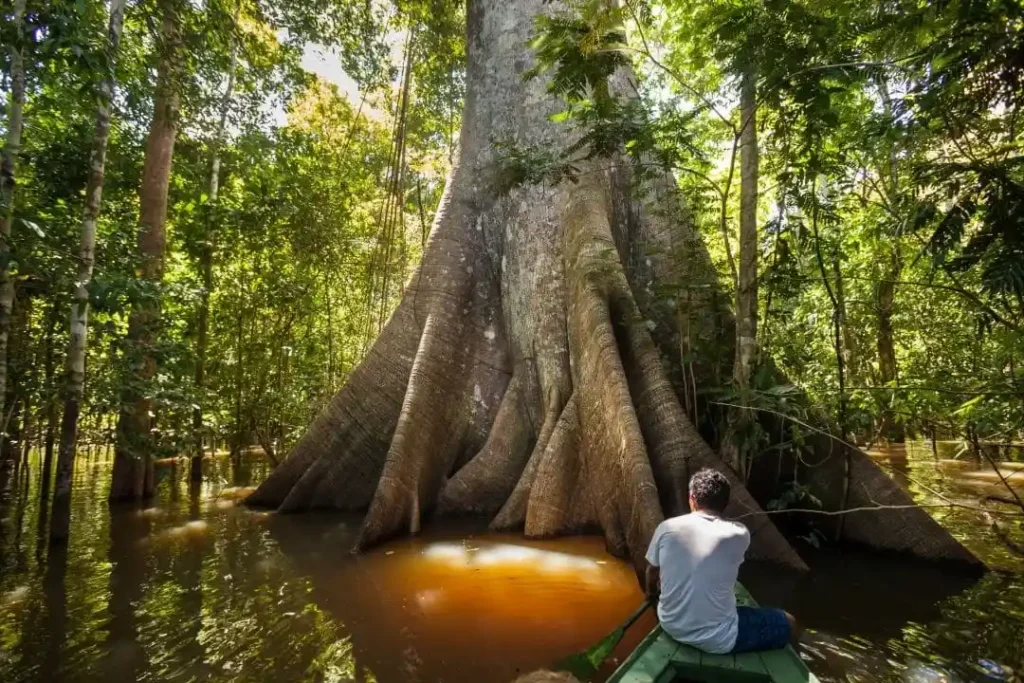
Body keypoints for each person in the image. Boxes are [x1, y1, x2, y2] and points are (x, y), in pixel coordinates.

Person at [644, 468, 798, 654]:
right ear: (726, 503)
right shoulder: (739, 533)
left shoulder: (666, 527)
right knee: (789, 621)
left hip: (671, 625)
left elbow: (651, 572)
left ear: (691, 498)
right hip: (719, 639)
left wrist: (651, 594)